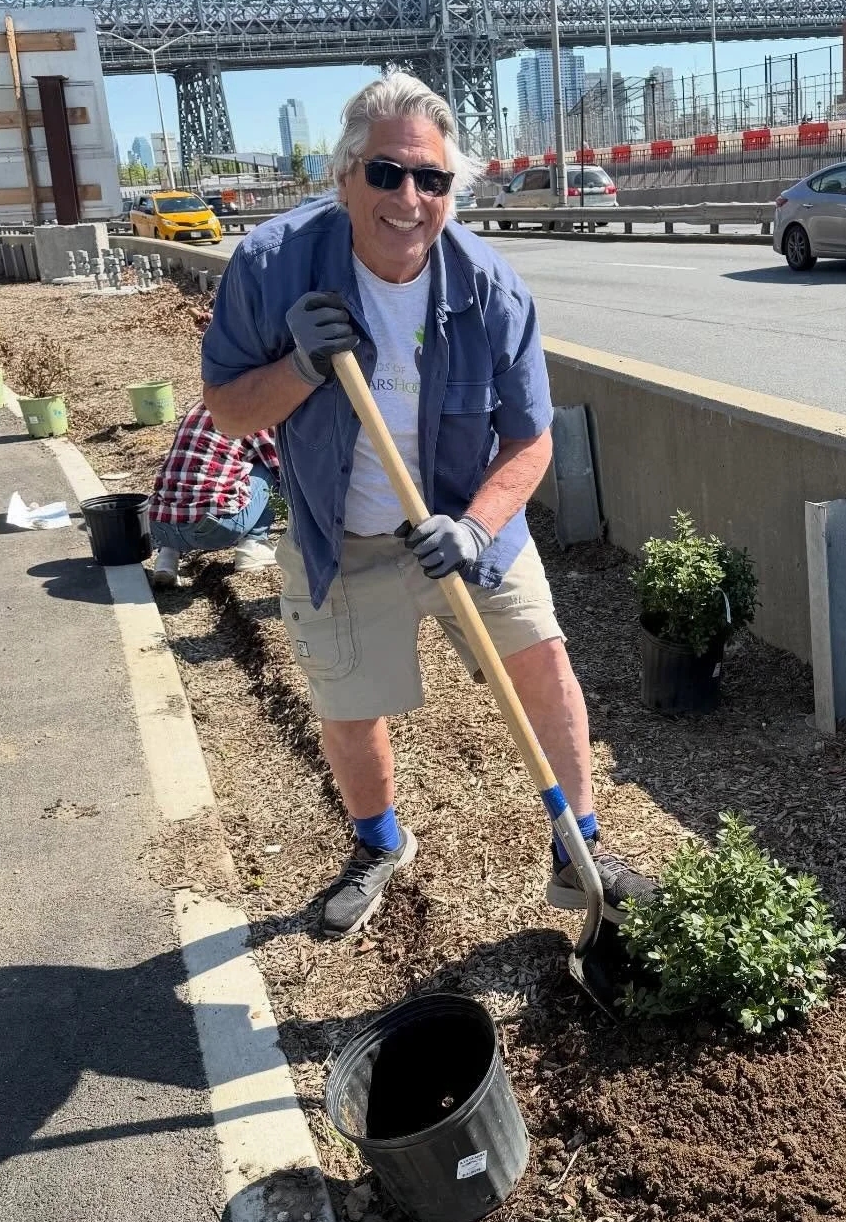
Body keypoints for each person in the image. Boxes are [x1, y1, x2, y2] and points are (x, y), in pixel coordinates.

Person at [200, 72, 655, 941]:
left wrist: (478, 525)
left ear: (452, 189)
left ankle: (579, 850)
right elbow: (227, 411)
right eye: (386, 173)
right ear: (343, 179)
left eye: (432, 179)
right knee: (347, 705)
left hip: (466, 520)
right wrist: (299, 367)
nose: (408, 198)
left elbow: (530, 444)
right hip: (341, 534)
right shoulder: (272, 267)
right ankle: (378, 843)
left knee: (545, 665)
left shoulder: (489, 288)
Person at [147, 400, 279, 587]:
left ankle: (167, 559)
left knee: (187, 481)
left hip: (162, 527)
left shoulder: (204, 404)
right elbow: (280, 468)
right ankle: (254, 545)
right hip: (213, 529)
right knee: (269, 469)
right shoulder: (255, 408)